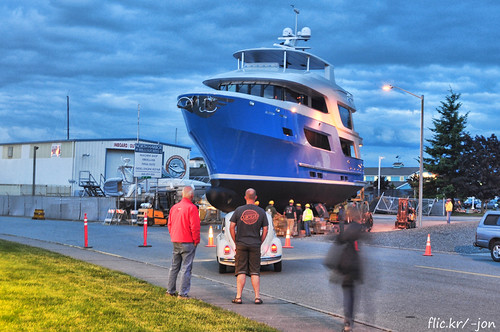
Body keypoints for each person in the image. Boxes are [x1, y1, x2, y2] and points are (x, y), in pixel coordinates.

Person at [230, 188, 268, 305]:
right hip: (255, 244)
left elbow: (232, 226)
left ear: (245, 197)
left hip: (241, 244)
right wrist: (260, 241)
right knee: (255, 271)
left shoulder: (238, 210)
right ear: (255, 198)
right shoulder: (261, 211)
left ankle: (238, 297)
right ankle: (257, 297)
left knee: (241, 270)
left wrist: (235, 241)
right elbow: (266, 229)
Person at [166, 186, 201, 299]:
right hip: (188, 241)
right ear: (192, 196)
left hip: (176, 239)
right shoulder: (192, 208)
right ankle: (182, 293)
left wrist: (173, 235)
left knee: (174, 266)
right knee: (186, 268)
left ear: (182, 194)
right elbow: (195, 227)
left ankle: (170, 291)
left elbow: (170, 224)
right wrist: (196, 240)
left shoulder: (174, 208)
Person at [337, 220, 363, 331]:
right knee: (351, 298)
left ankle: (348, 321)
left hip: (346, 274)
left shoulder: (346, 242)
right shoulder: (356, 244)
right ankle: (349, 320)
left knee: (348, 297)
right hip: (352, 274)